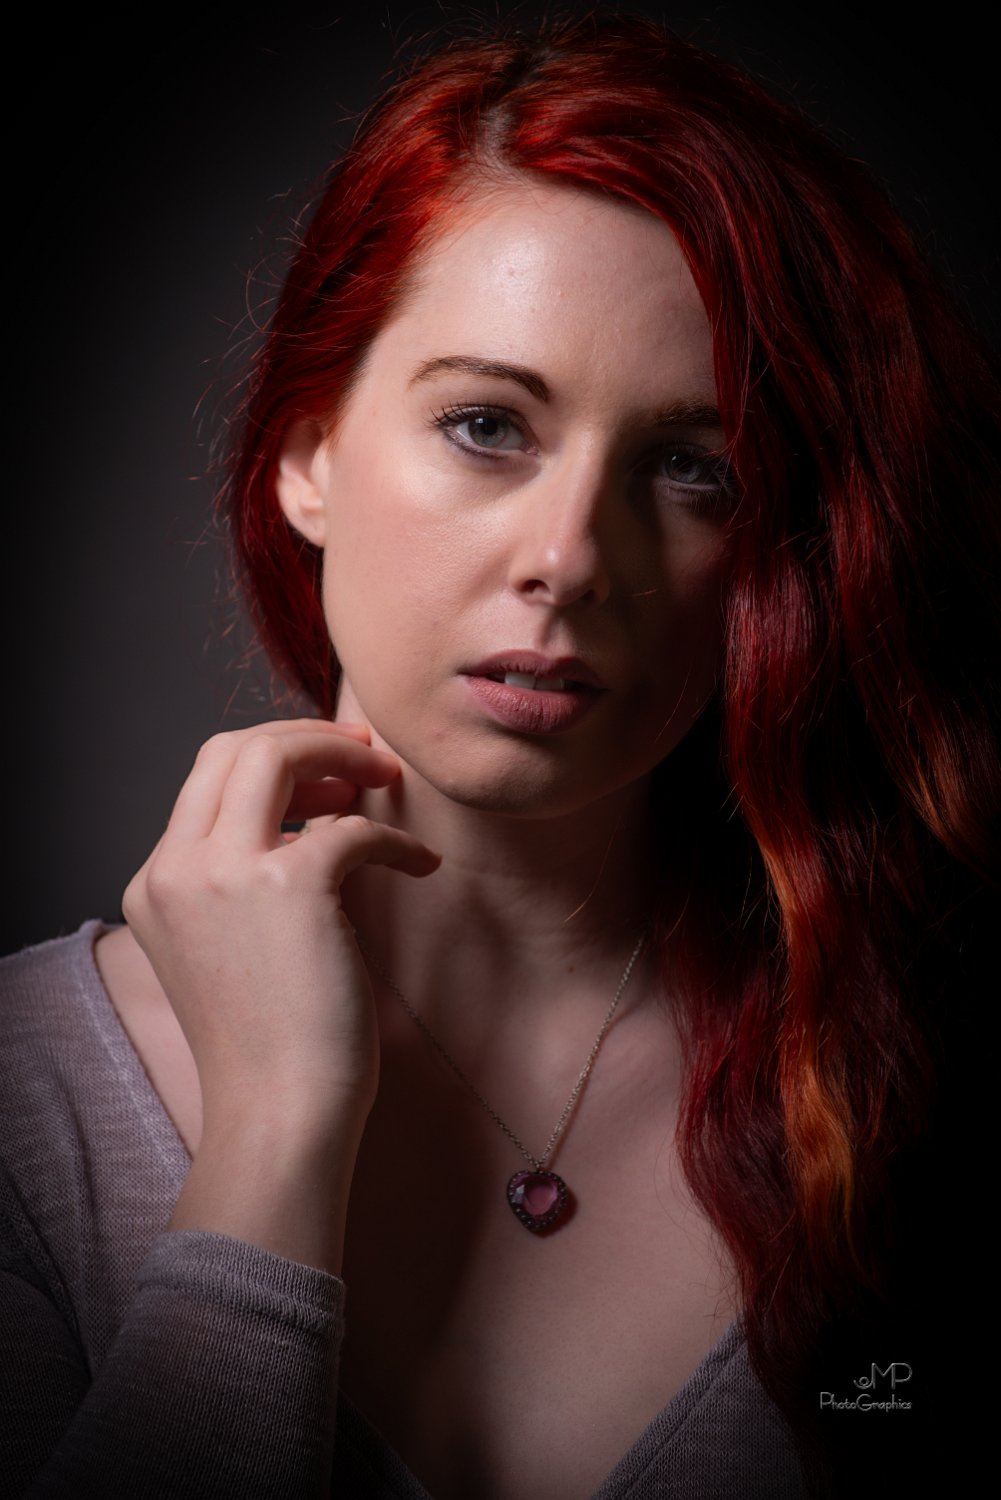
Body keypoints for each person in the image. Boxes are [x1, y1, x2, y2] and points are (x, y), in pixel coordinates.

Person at [2, 12, 996, 1498]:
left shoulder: (911, 1073)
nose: (569, 557)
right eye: (486, 424)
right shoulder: (24, 1103)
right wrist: (271, 1131)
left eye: (694, 469)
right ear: (309, 450)